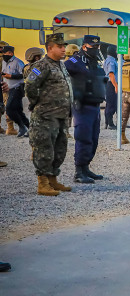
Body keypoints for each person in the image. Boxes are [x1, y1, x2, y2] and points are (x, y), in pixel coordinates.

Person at [24, 33, 73, 196]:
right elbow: (30, 86)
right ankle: (43, 183)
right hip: (45, 115)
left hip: (61, 115)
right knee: (44, 148)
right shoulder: (41, 65)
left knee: (60, 148)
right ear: (50, 48)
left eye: (64, 46)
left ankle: (52, 179)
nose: (63, 49)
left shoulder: (61, 65)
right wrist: (37, 103)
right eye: (60, 47)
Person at [65, 35, 107, 184]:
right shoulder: (75, 61)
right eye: (92, 47)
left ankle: (86, 167)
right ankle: (79, 171)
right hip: (82, 106)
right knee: (84, 138)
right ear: (84, 47)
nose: (95, 49)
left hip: (95, 105)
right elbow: (62, 72)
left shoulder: (95, 61)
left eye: (97, 46)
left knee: (94, 139)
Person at [2, 45, 29, 137]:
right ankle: (29, 128)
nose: (3, 55)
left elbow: (24, 75)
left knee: (9, 109)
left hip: (17, 88)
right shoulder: (4, 62)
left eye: (4, 53)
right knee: (18, 111)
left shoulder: (18, 62)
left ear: (10, 53)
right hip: (7, 89)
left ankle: (22, 126)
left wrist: (11, 76)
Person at [103, 45, 118, 130]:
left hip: (110, 84)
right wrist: (115, 86)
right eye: (116, 51)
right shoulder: (111, 61)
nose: (117, 52)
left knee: (110, 104)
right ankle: (110, 124)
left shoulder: (109, 60)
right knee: (111, 104)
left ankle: (107, 123)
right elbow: (111, 74)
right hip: (111, 84)